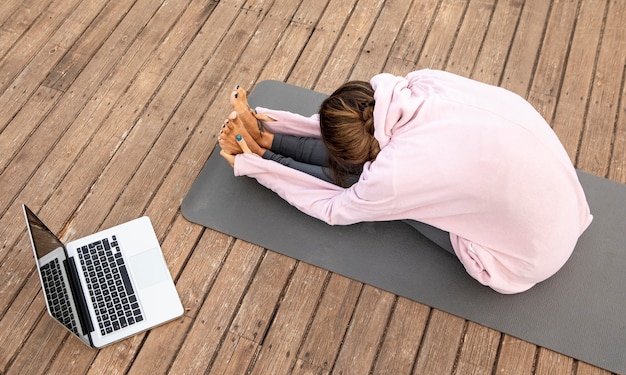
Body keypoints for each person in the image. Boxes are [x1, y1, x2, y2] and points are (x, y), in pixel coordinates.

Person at [217, 69, 593, 294]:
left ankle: (263, 148)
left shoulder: (396, 173)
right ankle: (266, 138)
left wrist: (263, 168)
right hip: (561, 199)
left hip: (529, 255)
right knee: (381, 183)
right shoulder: (419, 85)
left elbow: (335, 207)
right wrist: (274, 133)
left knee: (379, 196)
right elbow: (365, 143)